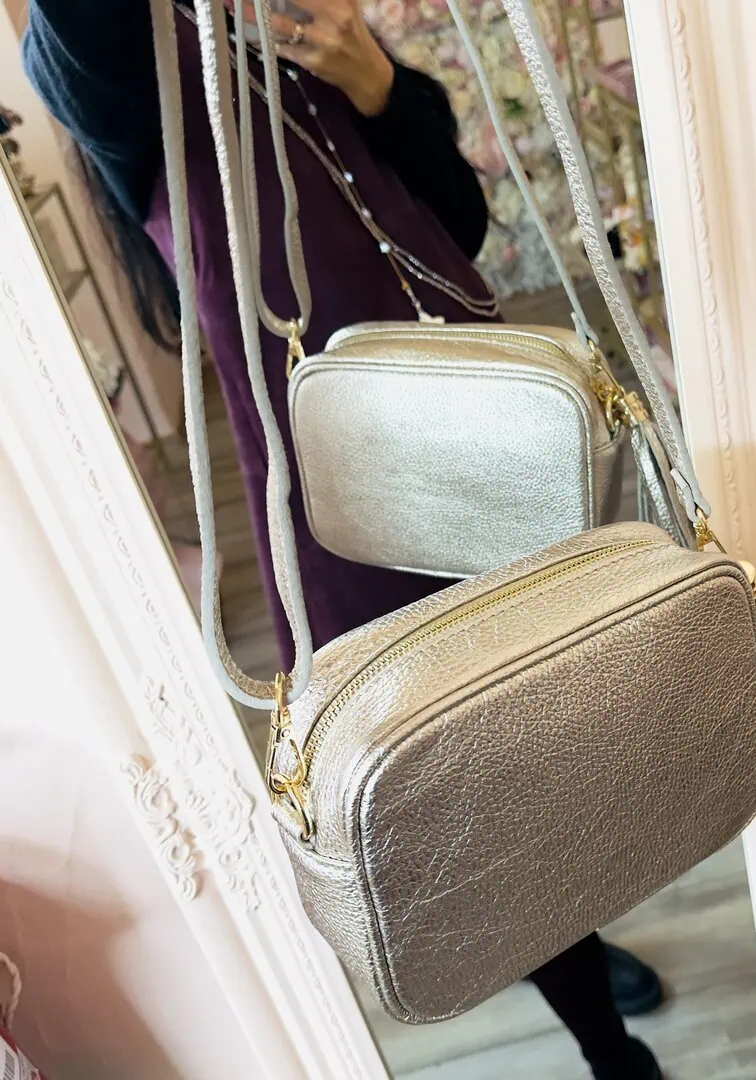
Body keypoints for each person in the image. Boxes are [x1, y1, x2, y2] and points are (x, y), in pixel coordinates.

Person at [22, 1, 664, 1076]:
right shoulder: (125, 68)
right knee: (471, 778)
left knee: (548, 719)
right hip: (349, 507)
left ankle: (573, 938)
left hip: (484, 430)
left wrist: (378, 83)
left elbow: (457, 228)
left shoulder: (297, 22)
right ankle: (601, 1035)